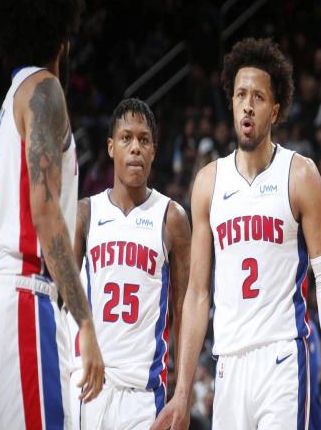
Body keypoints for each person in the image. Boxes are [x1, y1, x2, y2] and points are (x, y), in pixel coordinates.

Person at [153, 38, 321, 430]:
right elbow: (197, 293)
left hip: (282, 358)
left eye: (258, 97)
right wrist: (182, 392)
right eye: (240, 95)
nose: (248, 105)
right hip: (228, 362)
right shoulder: (208, 182)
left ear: (275, 110)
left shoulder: (300, 174)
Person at [0, 0, 104, 427]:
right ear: (62, 41)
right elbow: (44, 214)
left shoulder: (8, 105)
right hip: (27, 296)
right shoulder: (44, 89)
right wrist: (86, 324)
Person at [69, 99, 191, 429]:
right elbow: (62, 299)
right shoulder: (85, 213)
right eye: (126, 138)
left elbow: (183, 308)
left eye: (144, 139)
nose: (135, 147)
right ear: (111, 147)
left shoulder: (172, 218)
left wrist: (183, 391)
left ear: (153, 151)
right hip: (88, 385)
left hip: (144, 393)